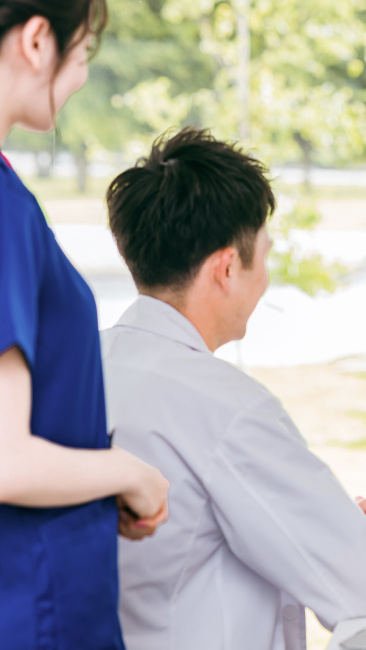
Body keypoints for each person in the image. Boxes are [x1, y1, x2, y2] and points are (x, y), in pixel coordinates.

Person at [102, 127, 366, 650]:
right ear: (228, 267)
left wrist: (339, 525)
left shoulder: (79, 366)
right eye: (264, 256)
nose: (266, 277)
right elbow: (364, 584)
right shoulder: (225, 406)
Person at [0, 2, 169, 648]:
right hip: (32, 605)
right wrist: (129, 475)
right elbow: (5, 461)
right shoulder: (4, 210)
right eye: (83, 57)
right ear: (39, 39)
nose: (79, 82)